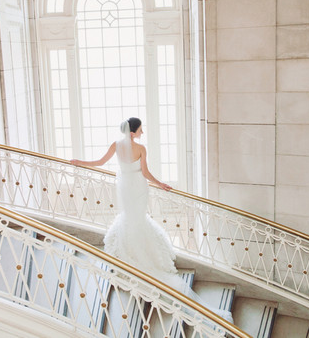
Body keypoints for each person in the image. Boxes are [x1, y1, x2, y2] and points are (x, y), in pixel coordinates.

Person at [70, 117, 233, 323]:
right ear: (133, 132)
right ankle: (144, 256)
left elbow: (100, 162)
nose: (142, 133)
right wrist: (161, 184)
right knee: (137, 218)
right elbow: (145, 173)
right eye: (140, 130)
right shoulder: (140, 149)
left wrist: (79, 162)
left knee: (130, 218)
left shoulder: (116, 146)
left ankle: (129, 250)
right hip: (138, 187)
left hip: (125, 187)